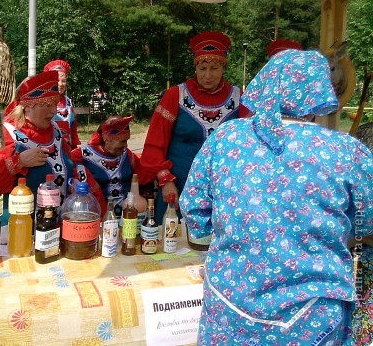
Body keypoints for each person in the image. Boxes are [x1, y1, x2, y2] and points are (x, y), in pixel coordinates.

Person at [179, 49, 373, 345]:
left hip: (230, 307)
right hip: (314, 316)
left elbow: (194, 210)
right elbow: (366, 224)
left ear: (266, 82)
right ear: (318, 91)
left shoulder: (226, 138)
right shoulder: (347, 150)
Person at [139, 31, 250, 223]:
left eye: (214, 68)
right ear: (195, 67)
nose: (207, 75)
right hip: (178, 187)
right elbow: (154, 144)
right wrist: (165, 180)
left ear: (223, 67)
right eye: (202, 68)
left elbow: (248, 147)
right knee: (173, 243)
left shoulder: (239, 98)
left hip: (223, 190)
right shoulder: (175, 95)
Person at [0, 71, 103, 228]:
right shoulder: (5, 133)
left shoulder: (55, 131)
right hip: (16, 229)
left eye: (55, 104)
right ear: (27, 107)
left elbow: (68, 165)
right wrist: (18, 162)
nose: (54, 111)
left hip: (53, 225)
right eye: (48, 104)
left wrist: (73, 182)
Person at [71, 115, 140, 218]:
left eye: (127, 140)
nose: (126, 146)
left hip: (126, 218)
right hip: (98, 217)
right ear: (107, 139)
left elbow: (143, 172)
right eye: (122, 141)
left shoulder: (126, 155)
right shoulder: (82, 156)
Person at [43, 59, 81, 150]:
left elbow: (73, 130)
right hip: (49, 151)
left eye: (63, 81)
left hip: (68, 151)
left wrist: (75, 149)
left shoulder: (68, 102)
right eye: (57, 80)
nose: (60, 84)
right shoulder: (42, 102)